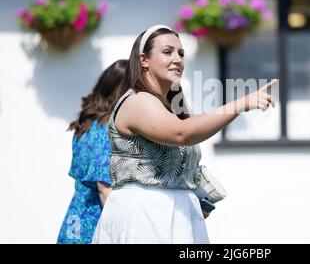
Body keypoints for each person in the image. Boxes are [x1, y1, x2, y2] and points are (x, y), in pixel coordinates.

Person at [92, 25, 277, 244]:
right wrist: (239, 105)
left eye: (181, 53)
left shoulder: (172, 105)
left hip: (175, 217)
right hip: (145, 216)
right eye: (167, 52)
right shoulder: (138, 100)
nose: (178, 59)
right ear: (144, 60)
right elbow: (182, 134)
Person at [57, 59, 128, 244]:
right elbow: (105, 188)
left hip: (76, 219)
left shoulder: (87, 124)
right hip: (96, 224)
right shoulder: (108, 128)